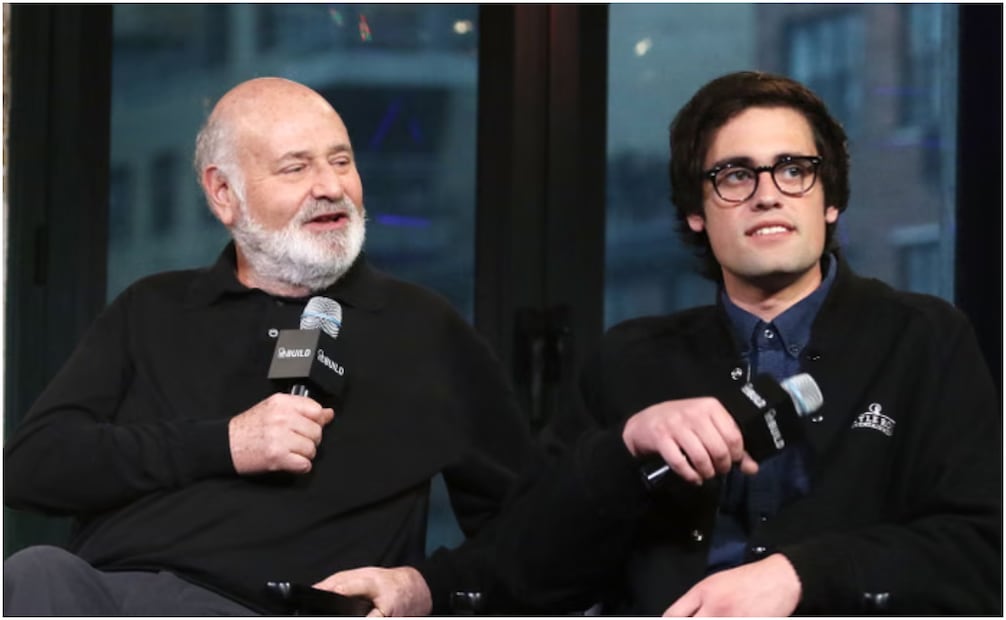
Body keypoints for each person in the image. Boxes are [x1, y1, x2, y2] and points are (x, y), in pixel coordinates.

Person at [472, 71, 1000, 615]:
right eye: (735, 175)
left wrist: (800, 576)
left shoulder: (923, 338)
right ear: (696, 213)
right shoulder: (629, 360)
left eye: (794, 170)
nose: (767, 195)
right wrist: (622, 447)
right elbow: (517, 571)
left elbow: (984, 552)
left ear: (830, 201)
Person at [3, 77, 533, 616]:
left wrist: (425, 586)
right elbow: (32, 467)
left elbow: (533, 534)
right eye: (296, 168)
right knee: (35, 570)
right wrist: (227, 443)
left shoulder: (424, 328)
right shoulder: (151, 308)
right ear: (223, 194)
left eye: (342, 161)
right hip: (112, 595)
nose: (331, 186)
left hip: (281, 606)